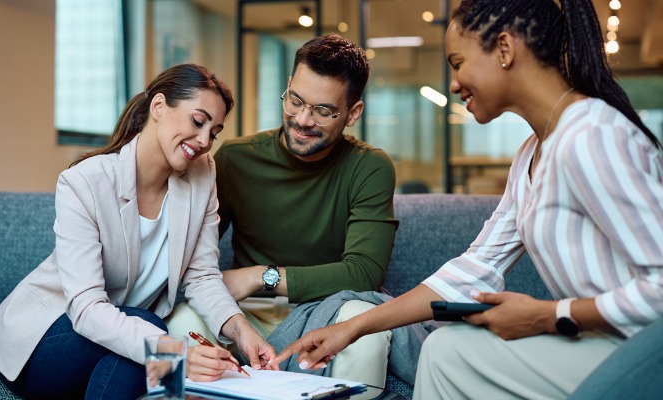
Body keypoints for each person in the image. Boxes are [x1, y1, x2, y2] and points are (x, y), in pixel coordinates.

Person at [270, 1, 663, 399]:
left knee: (450, 353)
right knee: (446, 349)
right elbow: (474, 269)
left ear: (505, 50)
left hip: (647, 351)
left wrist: (547, 315)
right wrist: (352, 326)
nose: (454, 83)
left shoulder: (593, 134)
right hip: (606, 343)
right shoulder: (532, 153)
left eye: (458, 63)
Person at [0, 64, 276, 400]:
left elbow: (203, 277)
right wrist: (175, 350)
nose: (205, 141)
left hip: (120, 340)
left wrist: (242, 332)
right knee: (153, 334)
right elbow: (87, 309)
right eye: (198, 121)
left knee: (143, 348)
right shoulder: (84, 182)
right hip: (46, 338)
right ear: (159, 107)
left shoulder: (202, 175)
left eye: (215, 131)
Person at [165, 34, 427, 388]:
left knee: (365, 328)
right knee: (182, 320)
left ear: (353, 113)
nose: (303, 120)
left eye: (323, 110)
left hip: (331, 313)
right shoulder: (234, 159)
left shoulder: (370, 167)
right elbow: (189, 250)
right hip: (247, 315)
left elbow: (364, 273)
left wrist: (261, 275)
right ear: (287, 87)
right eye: (295, 100)